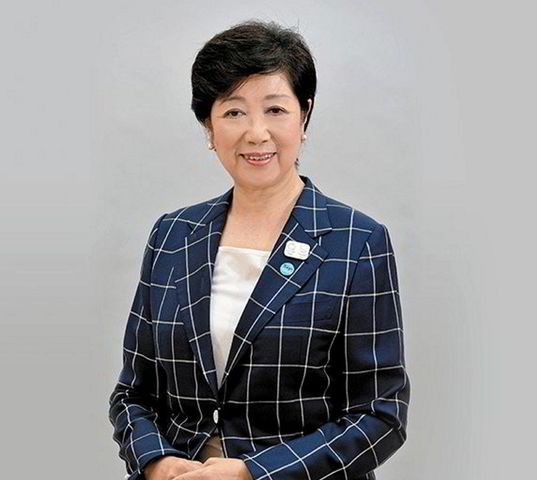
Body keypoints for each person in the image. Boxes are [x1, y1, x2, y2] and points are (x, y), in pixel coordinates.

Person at [108, 20, 410, 480]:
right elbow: (133, 394)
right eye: (233, 112)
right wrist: (156, 462)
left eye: (275, 109)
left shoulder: (356, 241)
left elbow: (381, 415)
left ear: (304, 116)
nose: (256, 133)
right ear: (208, 125)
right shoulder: (173, 235)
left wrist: (251, 473)